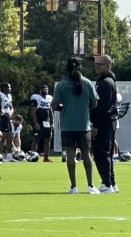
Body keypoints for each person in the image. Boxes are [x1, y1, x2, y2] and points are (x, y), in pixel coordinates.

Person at [52, 57, 100, 195]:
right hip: (83, 125)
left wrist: (64, 107)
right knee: (86, 155)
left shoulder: (61, 85)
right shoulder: (87, 82)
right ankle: (90, 185)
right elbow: (95, 103)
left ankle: (73, 187)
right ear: (80, 67)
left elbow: (54, 105)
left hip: (67, 125)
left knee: (70, 156)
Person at [91, 54, 118, 193]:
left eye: (99, 64)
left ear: (108, 65)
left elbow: (102, 107)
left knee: (101, 152)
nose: (96, 67)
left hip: (104, 122)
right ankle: (111, 182)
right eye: (96, 64)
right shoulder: (106, 81)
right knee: (106, 152)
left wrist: (95, 125)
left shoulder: (105, 83)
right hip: (108, 121)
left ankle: (107, 183)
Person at [29, 84, 54, 161]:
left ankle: (46, 157)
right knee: (36, 139)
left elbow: (50, 110)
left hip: (47, 121)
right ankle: (32, 156)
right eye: (44, 89)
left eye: (47, 89)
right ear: (40, 90)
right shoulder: (36, 97)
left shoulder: (49, 98)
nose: (46, 91)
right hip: (39, 120)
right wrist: (35, 122)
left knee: (48, 138)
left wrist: (52, 122)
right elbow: (33, 111)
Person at [0, 83, 15, 161]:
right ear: (4, 88)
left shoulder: (9, 96)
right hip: (2, 117)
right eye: (9, 87)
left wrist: (11, 112)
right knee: (3, 137)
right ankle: (0, 155)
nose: (10, 89)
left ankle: (9, 155)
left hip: (8, 117)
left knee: (10, 137)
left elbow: (11, 106)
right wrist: (3, 112)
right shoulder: (0, 95)